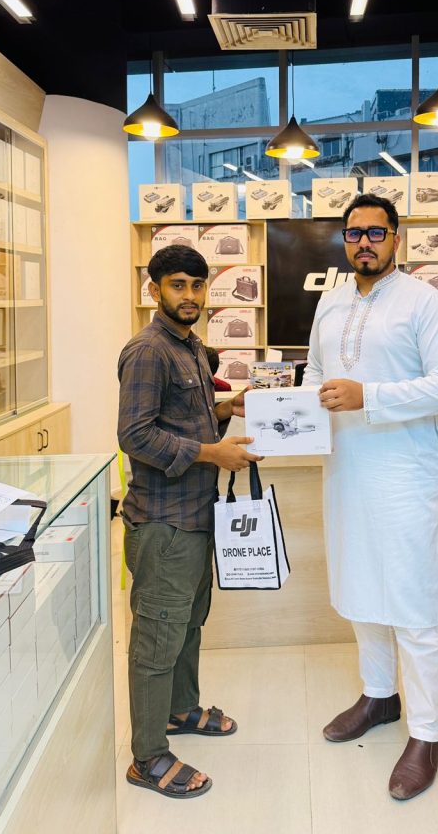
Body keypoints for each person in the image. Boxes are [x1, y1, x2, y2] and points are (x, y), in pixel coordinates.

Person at [304, 193, 438, 801]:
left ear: (396, 237)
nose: (364, 243)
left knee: (413, 600)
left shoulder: (424, 301)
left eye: (376, 232)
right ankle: (379, 696)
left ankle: (427, 733)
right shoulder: (330, 302)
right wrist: (290, 416)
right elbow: (315, 375)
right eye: (354, 234)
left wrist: (368, 397)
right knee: (360, 587)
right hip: (346, 470)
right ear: (344, 241)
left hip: (404, 474)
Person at [117, 245, 262, 800]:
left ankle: (180, 710)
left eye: (198, 286)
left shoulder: (193, 347)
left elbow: (181, 418)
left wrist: (226, 409)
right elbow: (135, 435)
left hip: (197, 515)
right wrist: (210, 453)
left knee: (187, 623)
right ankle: (147, 757)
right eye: (178, 285)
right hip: (163, 523)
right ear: (153, 289)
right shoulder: (148, 351)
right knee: (157, 637)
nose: (190, 296)